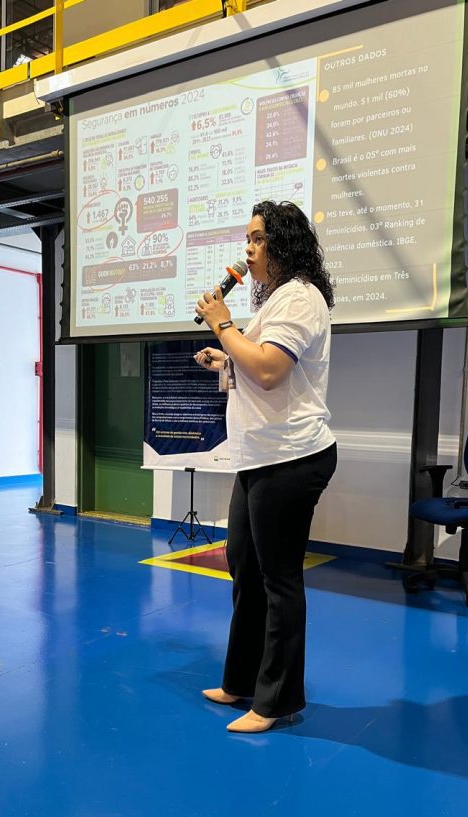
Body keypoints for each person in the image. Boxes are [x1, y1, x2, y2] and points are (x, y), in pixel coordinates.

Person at [193, 200, 337, 734]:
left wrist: (223, 327)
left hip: (292, 456)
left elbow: (273, 371)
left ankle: (277, 702)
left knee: (279, 581)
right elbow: (255, 365)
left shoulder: (300, 297)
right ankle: (241, 682)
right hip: (259, 456)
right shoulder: (274, 301)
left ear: (283, 244)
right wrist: (226, 357)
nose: (247, 251)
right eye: (247, 240)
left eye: (257, 239)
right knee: (245, 571)